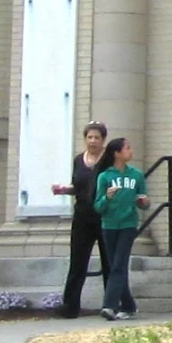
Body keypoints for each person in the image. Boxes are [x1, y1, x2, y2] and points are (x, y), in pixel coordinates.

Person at [50, 122, 110, 317]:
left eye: (97, 138)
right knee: (78, 260)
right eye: (89, 137)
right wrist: (64, 190)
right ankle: (70, 305)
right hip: (82, 216)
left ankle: (111, 303)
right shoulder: (78, 160)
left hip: (103, 215)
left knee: (108, 260)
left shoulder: (109, 161)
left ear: (103, 140)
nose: (92, 141)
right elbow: (79, 186)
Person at [92, 137, 150, 320]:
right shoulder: (104, 177)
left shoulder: (136, 175)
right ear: (117, 153)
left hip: (128, 224)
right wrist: (107, 197)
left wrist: (144, 202)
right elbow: (98, 207)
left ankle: (109, 306)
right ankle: (129, 305)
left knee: (118, 264)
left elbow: (144, 203)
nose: (131, 151)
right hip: (109, 225)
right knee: (116, 266)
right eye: (127, 148)